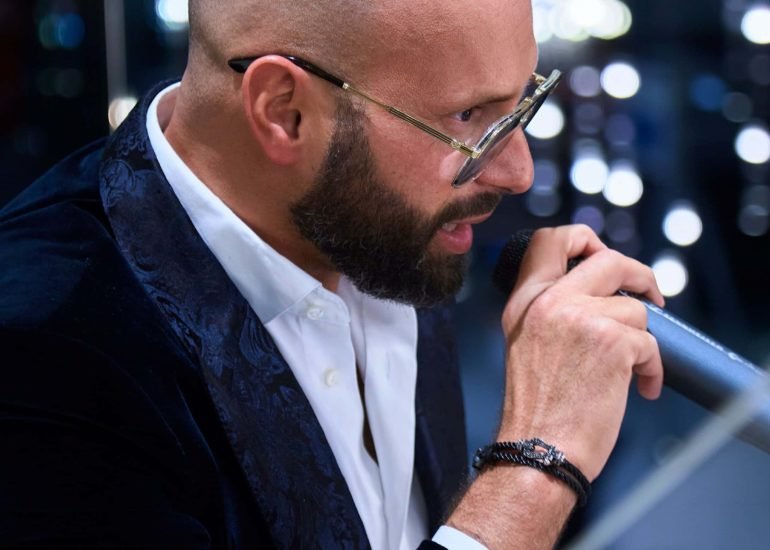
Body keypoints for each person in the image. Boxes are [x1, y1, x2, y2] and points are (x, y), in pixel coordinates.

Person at [0, 0, 665, 548]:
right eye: (468, 119)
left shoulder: (374, 225)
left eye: (521, 103)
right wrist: (534, 467)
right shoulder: (42, 356)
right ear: (283, 111)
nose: (518, 171)